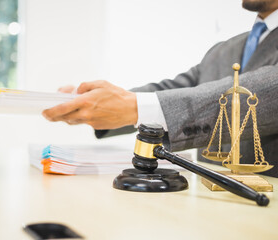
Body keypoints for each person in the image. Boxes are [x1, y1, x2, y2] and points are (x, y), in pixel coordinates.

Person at [43, 0, 278, 177]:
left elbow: (265, 90)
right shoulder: (223, 49)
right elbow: (176, 90)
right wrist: (96, 100)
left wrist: (131, 107)